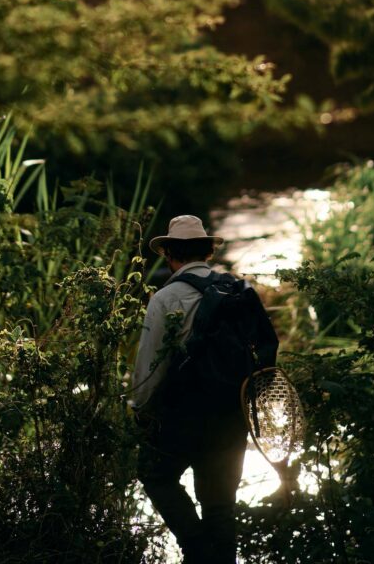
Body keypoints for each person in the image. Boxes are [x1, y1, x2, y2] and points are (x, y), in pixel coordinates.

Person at [129, 214, 249, 564]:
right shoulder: (239, 291)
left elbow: (150, 366)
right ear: (208, 251)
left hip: (181, 414)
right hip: (232, 412)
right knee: (220, 503)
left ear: (168, 252)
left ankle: (196, 550)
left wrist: (140, 408)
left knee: (156, 476)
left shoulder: (166, 298)